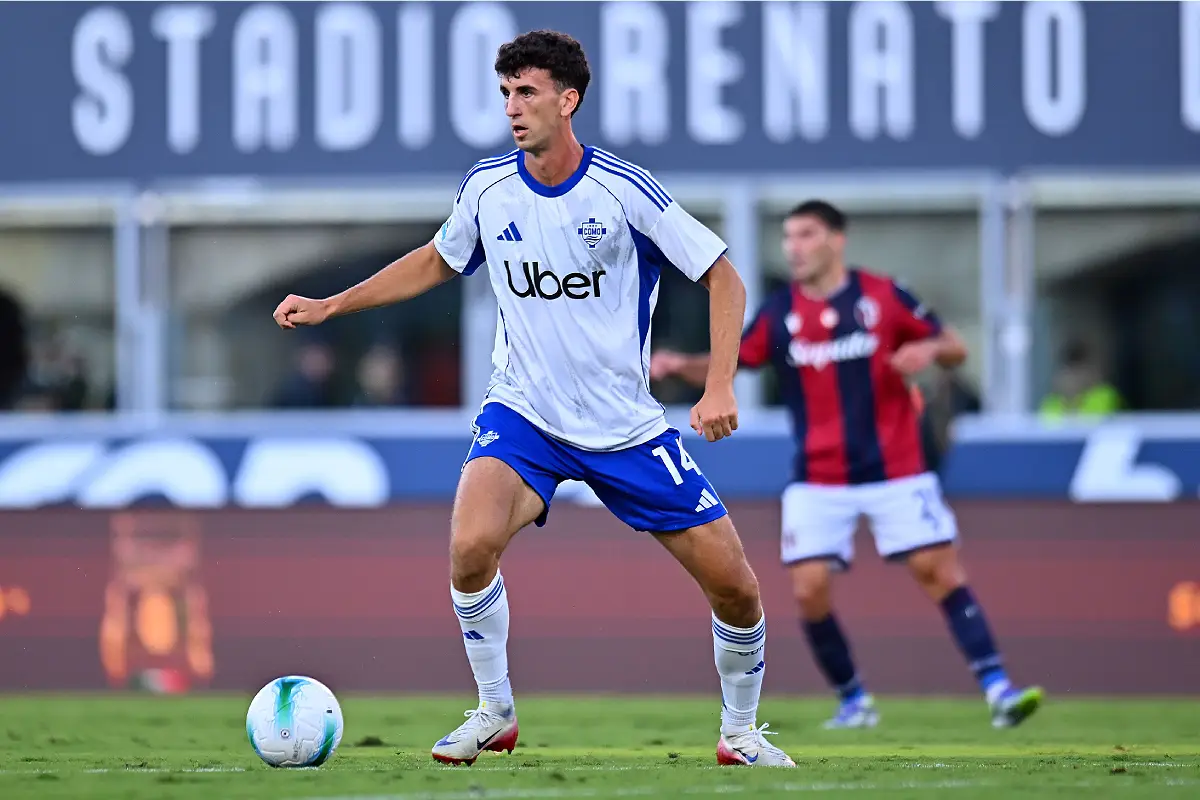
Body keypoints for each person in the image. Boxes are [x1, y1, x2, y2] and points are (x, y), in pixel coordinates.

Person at [272, 30, 795, 769]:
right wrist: (332, 306)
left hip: (626, 429)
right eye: (505, 94)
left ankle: (739, 733)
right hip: (525, 416)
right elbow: (435, 259)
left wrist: (718, 384)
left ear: (568, 99)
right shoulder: (489, 188)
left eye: (527, 93)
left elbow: (724, 276)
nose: (513, 109)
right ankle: (495, 711)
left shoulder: (623, 190)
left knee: (737, 590)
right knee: (468, 548)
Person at [651, 201, 1043, 731]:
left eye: (806, 235)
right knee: (809, 589)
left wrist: (927, 351)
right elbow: (738, 360)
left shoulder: (884, 295)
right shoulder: (781, 310)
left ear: (837, 239)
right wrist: (682, 365)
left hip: (898, 468)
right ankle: (854, 700)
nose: (794, 247)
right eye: (788, 237)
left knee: (940, 572)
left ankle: (998, 689)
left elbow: (955, 346)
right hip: (818, 476)